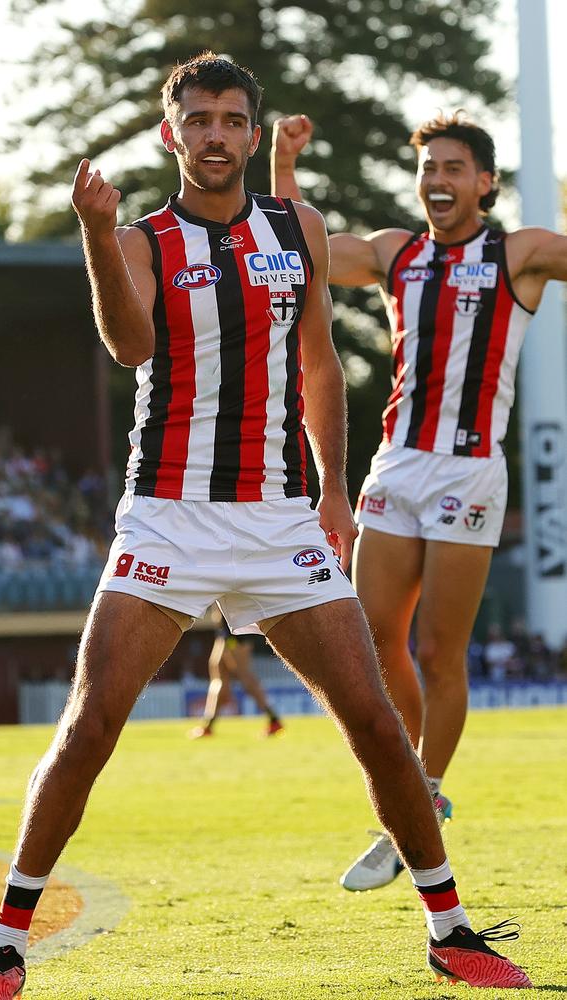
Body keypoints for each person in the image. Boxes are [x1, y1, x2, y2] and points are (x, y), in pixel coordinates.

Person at [0, 58, 531, 998]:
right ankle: (7, 942)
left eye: (232, 120)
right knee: (90, 724)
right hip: (169, 516)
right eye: (200, 120)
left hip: (278, 520)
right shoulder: (142, 237)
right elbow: (130, 344)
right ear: (170, 134)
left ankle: (450, 929)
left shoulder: (295, 229)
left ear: (253, 135)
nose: (217, 134)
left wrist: (335, 489)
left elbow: (319, 368)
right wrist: (97, 236)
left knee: (379, 727)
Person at [272, 110, 567, 892]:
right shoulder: (397, 252)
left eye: (454, 168)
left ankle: (421, 797)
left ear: (485, 183)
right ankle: (411, 792)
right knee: (370, 646)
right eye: (429, 168)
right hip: (396, 466)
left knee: (439, 651)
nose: (438, 180)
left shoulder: (522, 253)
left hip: (468, 471)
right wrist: (282, 163)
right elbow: (292, 250)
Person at [189, 612, 284, 738]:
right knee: (218, 674)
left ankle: (274, 720)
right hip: (225, 630)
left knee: (242, 675)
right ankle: (208, 725)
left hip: (235, 631)